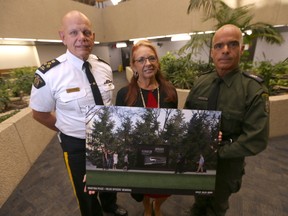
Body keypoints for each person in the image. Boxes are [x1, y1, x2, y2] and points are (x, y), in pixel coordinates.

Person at [29, 10, 127, 216]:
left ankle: (110, 205)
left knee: (110, 177)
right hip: (76, 145)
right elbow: (39, 113)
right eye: (74, 32)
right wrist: (66, 128)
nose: (81, 38)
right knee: (86, 192)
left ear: (93, 36)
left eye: (86, 32)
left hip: (107, 137)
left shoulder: (104, 67)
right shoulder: (49, 74)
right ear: (62, 37)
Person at [184, 24, 269, 215]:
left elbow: (256, 139)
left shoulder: (253, 90)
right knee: (198, 201)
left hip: (226, 166)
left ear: (241, 49)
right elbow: (188, 116)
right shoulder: (201, 83)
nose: (225, 50)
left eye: (232, 44)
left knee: (217, 206)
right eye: (219, 46)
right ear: (212, 52)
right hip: (200, 159)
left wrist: (217, 150)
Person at [116, 40, 178, 216]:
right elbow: (121, 127)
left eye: (152, 58)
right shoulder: (124, 94)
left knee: (163, 189)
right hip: (138, 152)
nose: (148, 64)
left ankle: (157, 207)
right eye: (141, 60)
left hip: (163, 151)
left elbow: (173, 124)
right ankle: (146, 208)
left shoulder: (170, 92)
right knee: (142, 187)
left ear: (157, 62)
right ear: (133, 66)